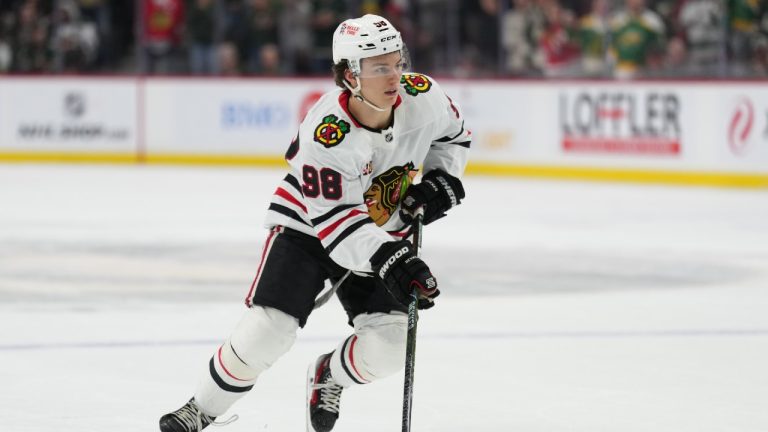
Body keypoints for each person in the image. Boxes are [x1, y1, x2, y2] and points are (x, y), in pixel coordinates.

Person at [158, 14, 470, 432]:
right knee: (269, 331)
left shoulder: (424, 96)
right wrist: (393, 259)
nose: (395, 76)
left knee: (393, 346)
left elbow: (454, 136)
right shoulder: (327, 135)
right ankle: (202, 408)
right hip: (309, 226)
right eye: (380, 67)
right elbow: (338, 225)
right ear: (349, 75)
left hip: (380, 230)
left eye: (398, 62)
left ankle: (328, 376)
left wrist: (441, 179)